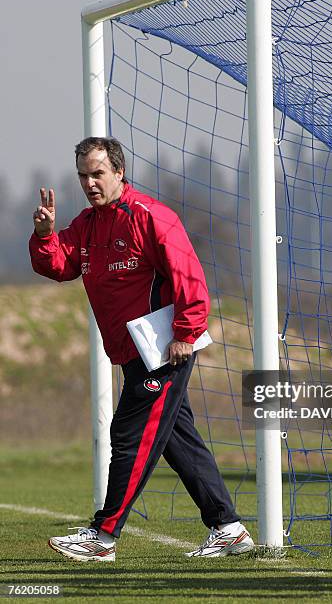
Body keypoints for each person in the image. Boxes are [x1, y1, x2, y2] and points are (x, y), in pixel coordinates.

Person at [29, 137, 254, 561]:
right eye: (83, 175)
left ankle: (104, 536)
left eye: (97, 173)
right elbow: (59, 265)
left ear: (118, 171)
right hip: (131, 353)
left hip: (164, 352)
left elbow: (189, 276)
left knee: (128, 435)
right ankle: (228, 527)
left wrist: (186, 332)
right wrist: (44, 236)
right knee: (176, 439)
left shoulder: (151, 217)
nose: (89, 183)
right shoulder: (87, 224)